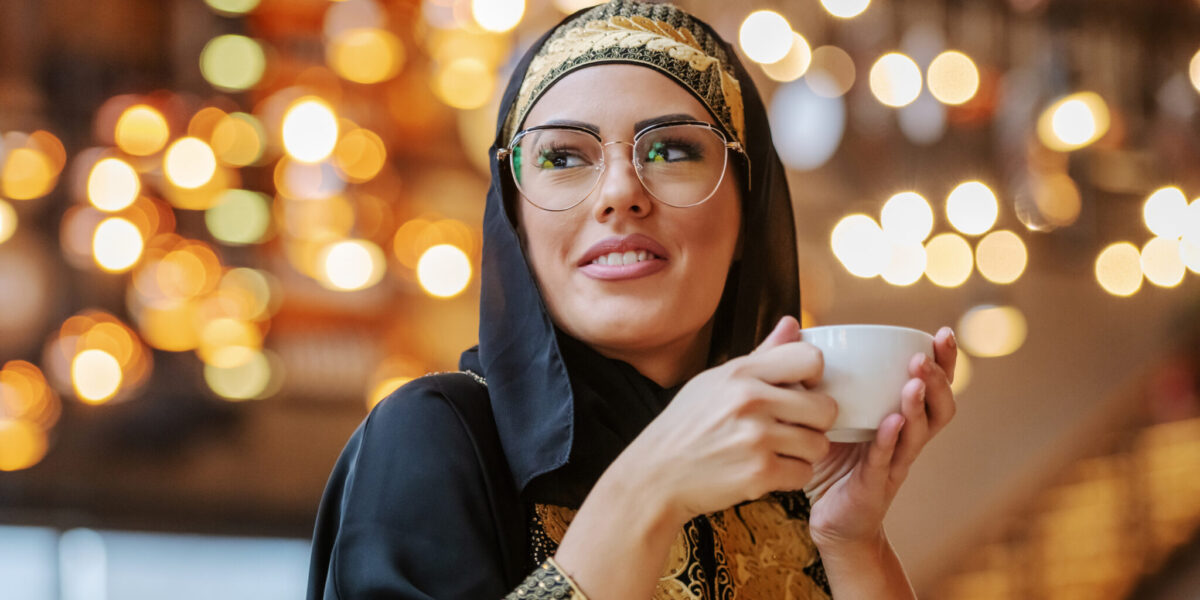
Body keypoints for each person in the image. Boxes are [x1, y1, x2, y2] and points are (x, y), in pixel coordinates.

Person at [306, 1, 959, 598]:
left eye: (672, 149)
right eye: (564, 158)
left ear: (745, 216)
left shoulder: (783, 486)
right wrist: (650, 485)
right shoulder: (437, 436)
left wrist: (853, 541)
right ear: (516, 224)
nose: (620, 191)